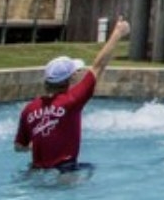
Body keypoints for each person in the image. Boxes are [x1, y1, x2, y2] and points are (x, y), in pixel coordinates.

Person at [15, 16, 130, 173]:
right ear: (71, 78)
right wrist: (118, 32)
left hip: (36, 170)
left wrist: (34, 144)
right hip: (65, 170)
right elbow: (98, 66)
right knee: (91, 172)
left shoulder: (29, 109)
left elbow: (18, 147)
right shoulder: (72, 100)